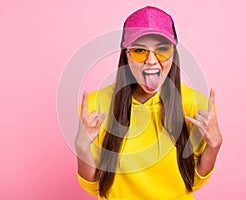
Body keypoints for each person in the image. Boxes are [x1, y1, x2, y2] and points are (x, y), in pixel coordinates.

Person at [75, 6, 222, 200]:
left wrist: (214, 146)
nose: (151, 61)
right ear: (126, 56)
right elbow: (95, 186)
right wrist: (82, 147)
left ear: (173, 53)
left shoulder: (194, 104)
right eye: (139, 50)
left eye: (162, 49)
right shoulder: (97, 105)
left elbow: (192, 181)